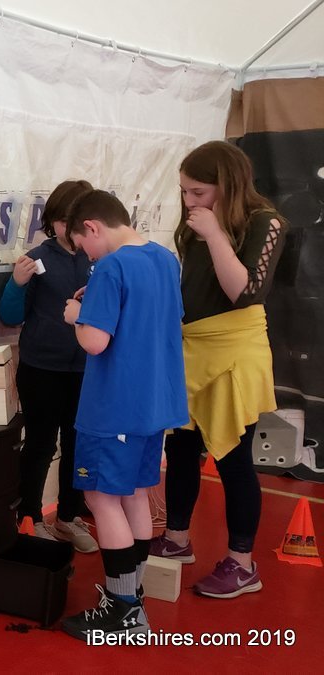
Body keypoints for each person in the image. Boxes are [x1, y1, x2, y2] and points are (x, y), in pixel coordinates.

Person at [149, 141, 286, 599]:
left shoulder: (265, 221)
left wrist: (214, 235)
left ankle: (242, 563)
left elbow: (243, 293)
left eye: (199, 192)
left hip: (234, 349)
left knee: (233, 458)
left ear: (226, 186)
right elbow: (189, 286)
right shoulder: (195, 222)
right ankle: (177, 537)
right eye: (184, 191)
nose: (189, 201)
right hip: (193, 346)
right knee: (182, 447)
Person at [57, 190, 188, 640]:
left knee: (100, 499)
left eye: (83, 245)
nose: (87, 256)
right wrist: (96, 301)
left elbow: (95, 341)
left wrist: (78, 315)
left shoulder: (111, 267)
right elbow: (151, 317)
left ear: (92, 227)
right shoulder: (165, 259)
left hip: (114, 405)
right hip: (155, 403)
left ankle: (122, 609)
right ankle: (132, 595)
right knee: (133, 494)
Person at [0, 180, 98, 553]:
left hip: (86, 369)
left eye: (74, 221)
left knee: (78, 444)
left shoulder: (98, 258)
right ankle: (30, 517)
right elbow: (11, 315)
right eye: (60, 220)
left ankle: (69, 517)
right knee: (40, 444)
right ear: (52, 221)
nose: (66, 229)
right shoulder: (38, 258)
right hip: (41, 369)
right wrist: (17, 283)